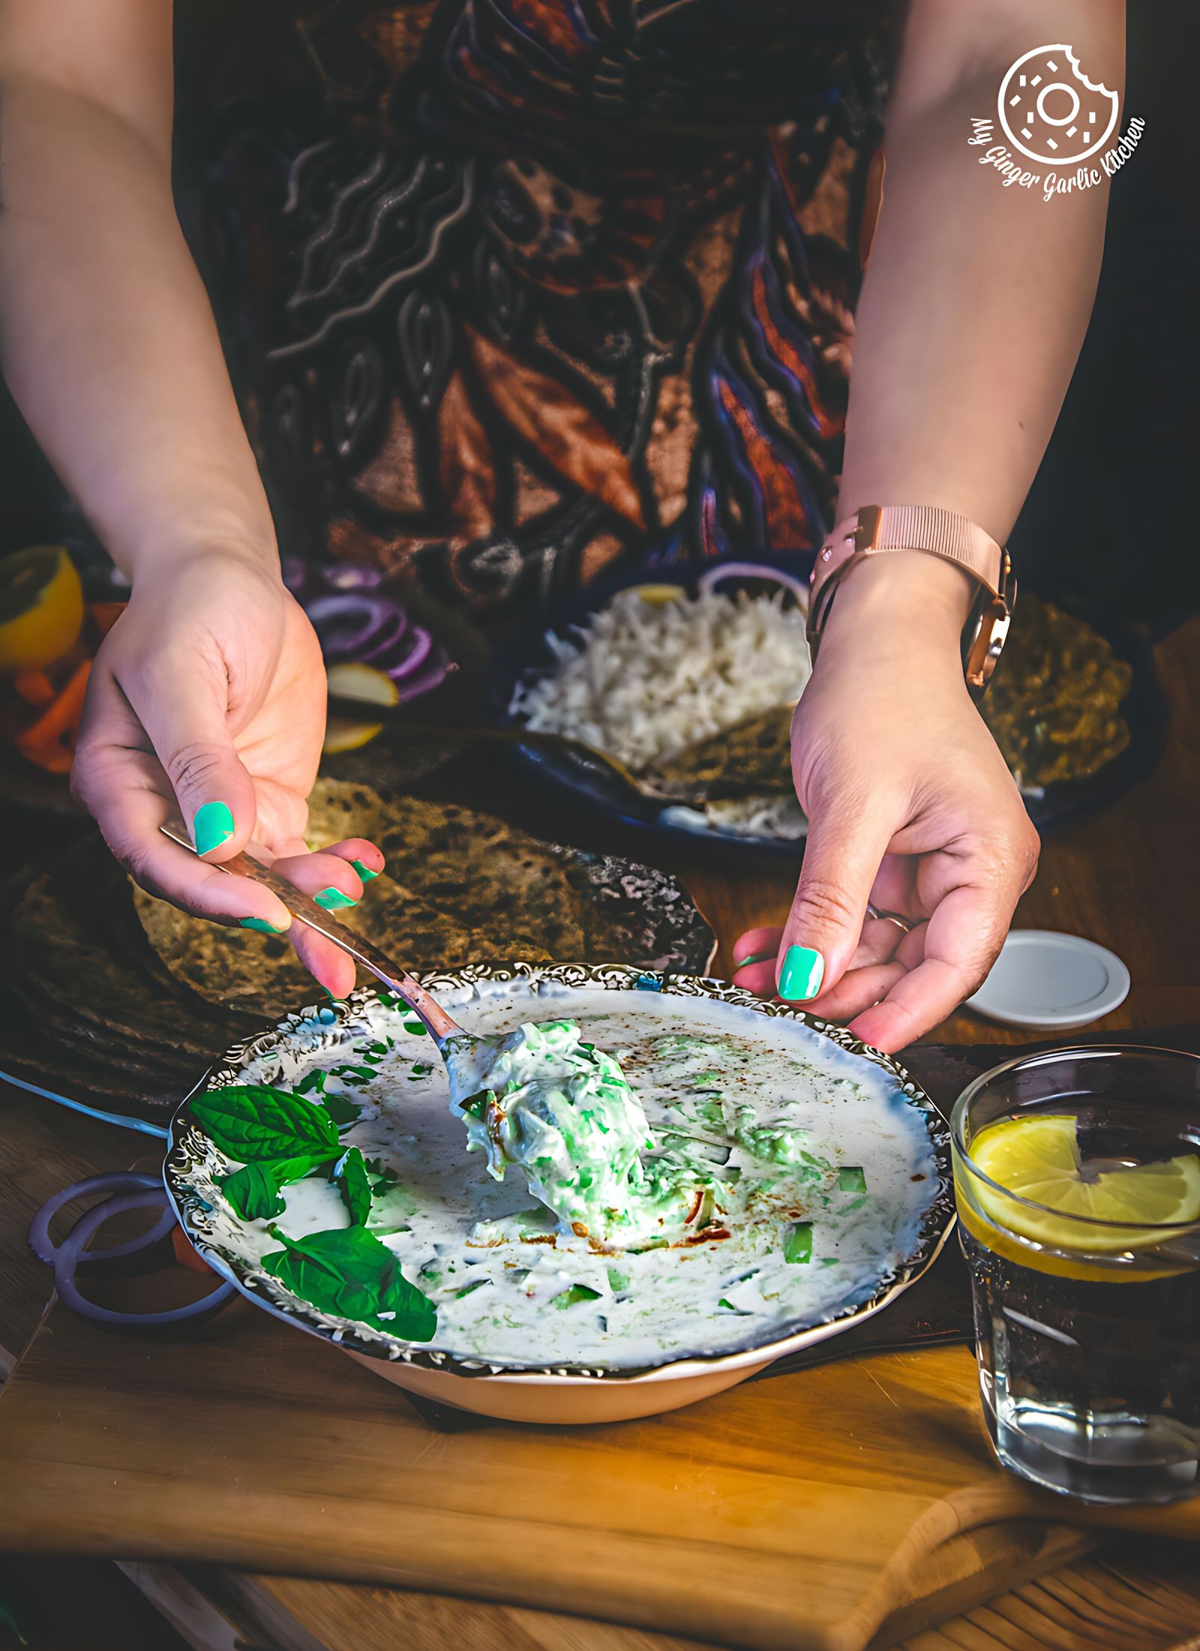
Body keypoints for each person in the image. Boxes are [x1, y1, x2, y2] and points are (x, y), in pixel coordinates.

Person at [0, 0, 1121, 1048]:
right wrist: (196, 544)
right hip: (222, 419)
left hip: (844, 413)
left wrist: (907, 596)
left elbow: (1009, 66)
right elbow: (54, 82)